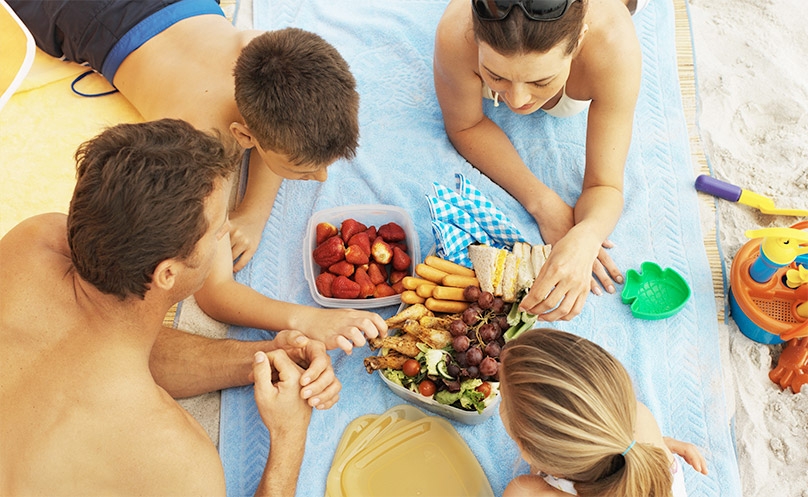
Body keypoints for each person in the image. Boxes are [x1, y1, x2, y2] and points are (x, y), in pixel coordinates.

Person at [8, 0, 388, 353]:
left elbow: (272, 134)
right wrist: (307, 317)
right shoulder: (200, 149)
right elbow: (216, 294)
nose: (321, 178)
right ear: (243, 137)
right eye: (302, 171)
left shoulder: (267, 53)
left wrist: (254, 213)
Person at [0, 119, 339, 496]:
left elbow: (113, 346)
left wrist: (264, 358)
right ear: (167, 273)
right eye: (217, 230)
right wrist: (288, 438)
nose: (226, 233)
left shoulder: (35, 245)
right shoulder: (171, 456)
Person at [434, 0, 646, 321]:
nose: (518, 101)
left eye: (540, 81)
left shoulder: (614, 47)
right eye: (496, 76)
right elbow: (465, 125)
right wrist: (543, 202)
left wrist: (587, 236)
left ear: (578, 41)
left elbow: (605, 183)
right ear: (475, 37)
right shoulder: (455, 31)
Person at [498, 328, 708, 496]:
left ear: (525, 450)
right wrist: (660, 443)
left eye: (502, 396)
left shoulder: (525, 492)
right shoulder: (640, 418)